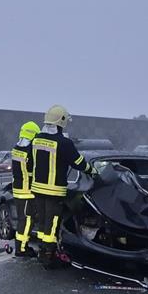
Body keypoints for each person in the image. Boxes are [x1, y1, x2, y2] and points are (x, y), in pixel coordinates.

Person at [30, 104, 95, 264]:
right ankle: (49, 256)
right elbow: (78, 162)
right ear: (62, 122)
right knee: (52, 224)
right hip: (54, 191)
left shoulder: (36, 139)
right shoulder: (64, 143)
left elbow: (31, 161)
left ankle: (42, 251)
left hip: (38, 188)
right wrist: (92, 171)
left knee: (43, 221)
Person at [10, 120, 41, 256]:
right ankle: (21, 249)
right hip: (27, 190)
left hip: (18, 189)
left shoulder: (16, 148)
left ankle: (21, 246)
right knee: (27, 219)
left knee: (23, 219)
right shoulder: (31, 151)